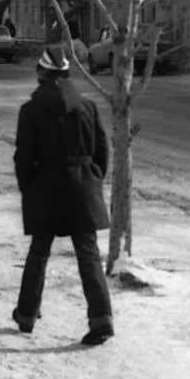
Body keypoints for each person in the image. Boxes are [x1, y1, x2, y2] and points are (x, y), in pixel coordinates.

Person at [12, 48, 115, 346]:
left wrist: (27, 187)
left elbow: (23, 158)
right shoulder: (87, 107)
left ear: (42, 74)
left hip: (45, 188)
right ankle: (102, 319)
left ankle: (27, 314)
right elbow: (102, 152)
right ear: (66, 75)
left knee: (39, 252)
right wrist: (93, 176)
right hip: (82, 188)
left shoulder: (30, 111)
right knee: (88, 254)